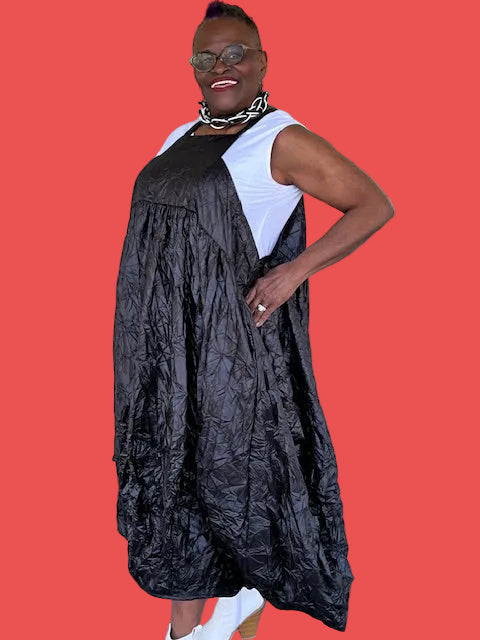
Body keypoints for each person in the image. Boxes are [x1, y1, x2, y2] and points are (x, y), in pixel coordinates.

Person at [112, 2, 394, 639]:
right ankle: (212, 615)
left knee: (224, 475)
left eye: (236, 53)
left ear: (263, 62)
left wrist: (293, 273)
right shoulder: (178, 138)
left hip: (228, 355)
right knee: (172, 474)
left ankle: (211, 619)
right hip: (160, 349)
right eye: (206, 57)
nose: (222, 66)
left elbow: (371, 204)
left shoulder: (281, 140)